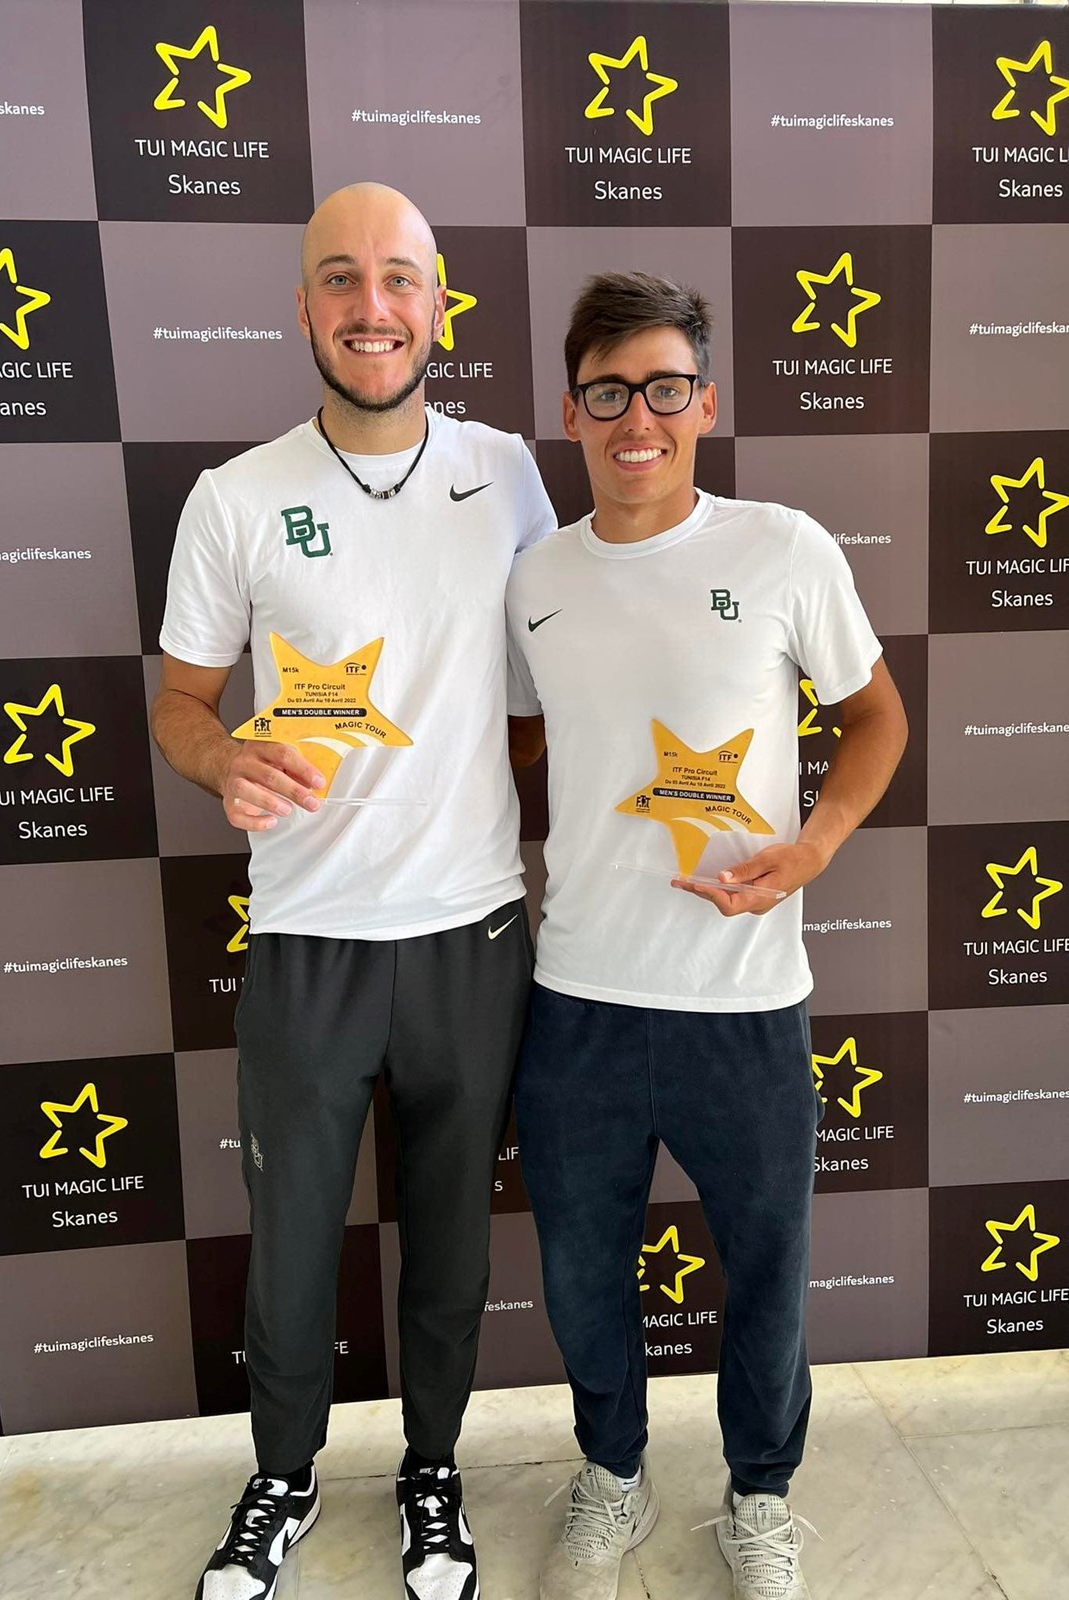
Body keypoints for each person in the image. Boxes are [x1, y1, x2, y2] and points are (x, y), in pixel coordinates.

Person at [151, 181, 555, 1600]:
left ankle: (431, 1473)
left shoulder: (508, 471)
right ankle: (282, 1478)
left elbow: (540, 692)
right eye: (341, 278)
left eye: (398, 278)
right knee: (294, 1247)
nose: (371, 307)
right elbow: (183, 702)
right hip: (310, 945)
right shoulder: (236, 498)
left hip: (473, 936)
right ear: (304, 307)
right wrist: (222, 763)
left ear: (438, 303)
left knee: (449, 1246)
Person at [505, 271, 908, 1600]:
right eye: (611, 391)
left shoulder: (783, 547)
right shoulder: (535, 578)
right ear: (573, 411)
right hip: (579, 1003)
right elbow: (512, 750)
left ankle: (760, 1498)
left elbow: (877, 722)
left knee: (772, 1278)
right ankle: (611, 1479)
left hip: (745, 1004)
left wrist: (815, 845)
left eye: (666, 388)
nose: (640, 418)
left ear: (704, 401)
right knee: (579, 1273)